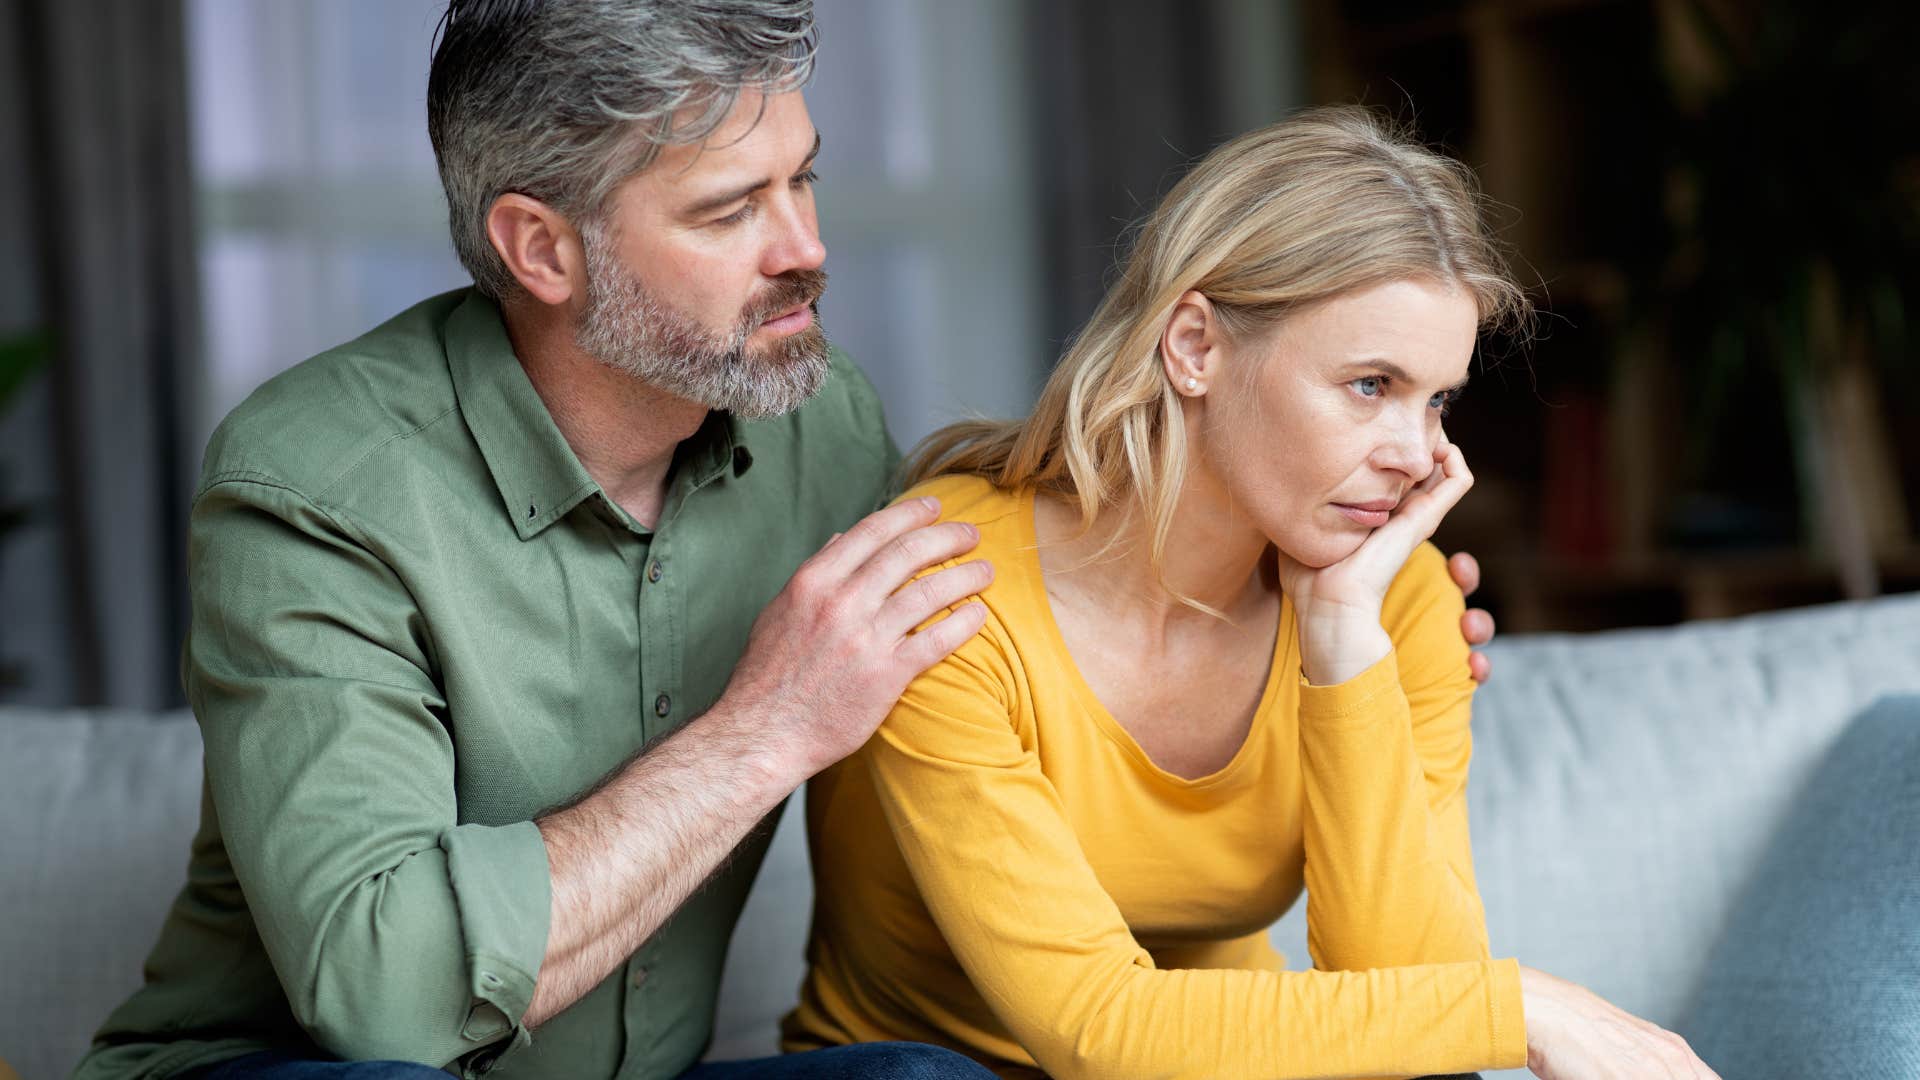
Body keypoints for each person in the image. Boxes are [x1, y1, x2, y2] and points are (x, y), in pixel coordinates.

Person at [73, 6, 1495, 1080]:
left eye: (802, 182)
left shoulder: (819, 427)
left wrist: (1350, 632)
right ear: (541, 249)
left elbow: (1038, 575)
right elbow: (379, 999)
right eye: (731, 209)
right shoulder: (316, 483)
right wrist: (768, 729)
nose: (805, 246)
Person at [783, 107, 1720, 1080]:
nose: (1418, 456)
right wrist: (1519, 1003)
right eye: (1369, 384)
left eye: (1436, 399)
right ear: (1193, 346)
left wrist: (1345, 641)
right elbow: (1093, 1029)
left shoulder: (1397, 598)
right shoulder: (946, 588)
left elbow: (1415, 1009)